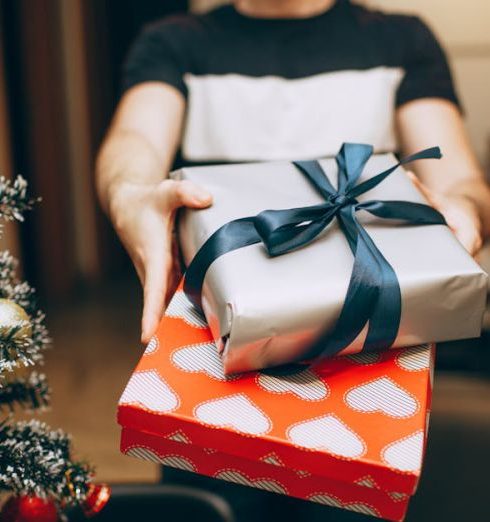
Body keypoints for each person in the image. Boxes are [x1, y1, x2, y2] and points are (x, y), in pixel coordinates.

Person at [96, 0, 490, 519]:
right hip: (212, 359)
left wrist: (463, 208)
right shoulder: (176, 41)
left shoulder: (400, 40)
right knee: (215, 508)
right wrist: (129, 193)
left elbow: (457, 177)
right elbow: (135, 141)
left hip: (366, 371)